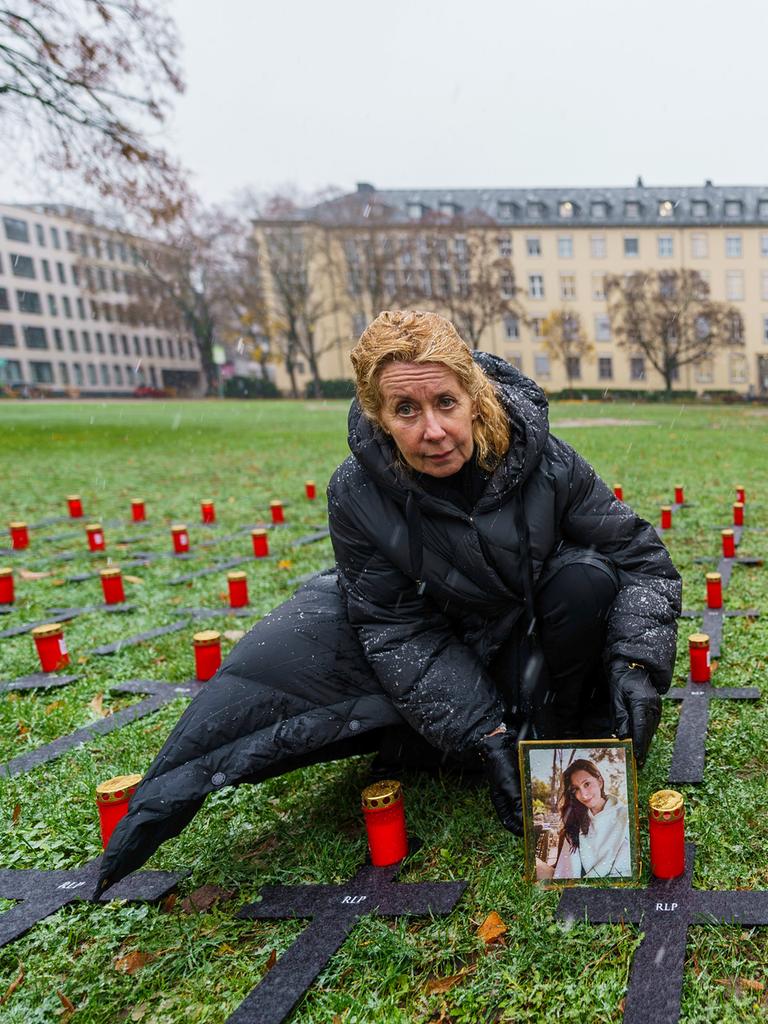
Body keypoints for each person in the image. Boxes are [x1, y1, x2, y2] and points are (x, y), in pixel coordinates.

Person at [97, 310, 681, 892]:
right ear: (378, 415)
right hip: (451, 648)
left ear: (473, 396)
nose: (433, 431)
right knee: (303, 663)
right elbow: (394, 626)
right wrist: (487, 736)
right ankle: (493, 734)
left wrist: (635, 665)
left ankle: (560, 726)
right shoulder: (355, 493)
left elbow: (640, 559)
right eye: (406, 410)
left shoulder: (546, 457)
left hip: (541, 643)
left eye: (446, 403)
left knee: (586, 579)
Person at [536, 759, 631, 879]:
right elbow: (565, 871)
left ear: (600, 781)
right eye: (576, 789)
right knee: (534, 864)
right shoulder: (575, 820)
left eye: (587, 784)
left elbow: (624, 872)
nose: (584, 795)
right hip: (572, 883)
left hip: (605, 888)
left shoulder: (625, 815)